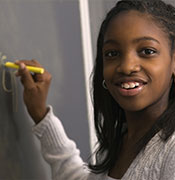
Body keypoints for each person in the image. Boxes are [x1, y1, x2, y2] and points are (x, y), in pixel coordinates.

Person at [15, 0, 175, 179]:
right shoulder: (120, 142)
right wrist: (41, 115)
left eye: (147, 51)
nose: (127, 67)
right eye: (112, 53)